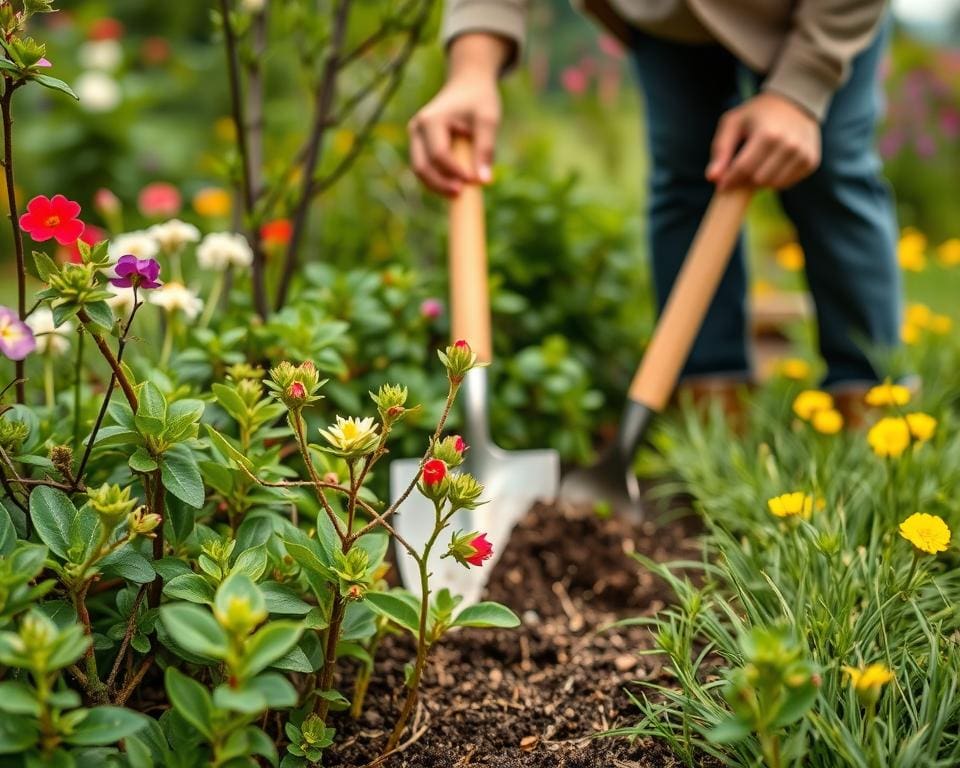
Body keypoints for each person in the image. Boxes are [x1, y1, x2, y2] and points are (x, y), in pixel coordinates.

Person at [407, 0, 900, 421]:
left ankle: (876, 414)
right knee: (689, 177)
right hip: (668, 17)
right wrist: (472, 67)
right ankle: (711, 432)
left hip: (823, 13)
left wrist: (801, 89)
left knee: (831, 173)